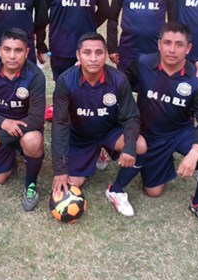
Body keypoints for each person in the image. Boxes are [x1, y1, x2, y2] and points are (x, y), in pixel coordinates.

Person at [124, 22, 198, 231]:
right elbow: (120, 85)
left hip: (180, 132)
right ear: (159, 44)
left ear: (188, 48)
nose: (172, 49)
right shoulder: (142, 63)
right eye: (167, 43)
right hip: (150, 135)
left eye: (179, 44)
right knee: (153, 192)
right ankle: (163, 161)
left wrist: (194, 153)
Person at [51, 32, 146, 216]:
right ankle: (95, 154)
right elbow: (60, 124)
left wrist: (129, 147)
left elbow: (132, 117)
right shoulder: (65, 81)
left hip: (109, 132)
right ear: (78, 55)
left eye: (99, 53)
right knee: (73, 184)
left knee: (139, 145)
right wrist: (60, 169)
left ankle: (116, 190)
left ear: (106, 55)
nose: (93, 58)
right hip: (80, 136)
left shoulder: (119, 79)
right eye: (87, 53)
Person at [0, 28, 46, 211]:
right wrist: (3, 124)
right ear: (0, 51)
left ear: (27, 52)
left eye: (18, 50)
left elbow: (37, 118)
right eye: (7, 49)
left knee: (32, 141)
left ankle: (30, 185)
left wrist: (1, 135)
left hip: (26, 128)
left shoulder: (36, 76)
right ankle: (12, 156)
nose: (12, 56)